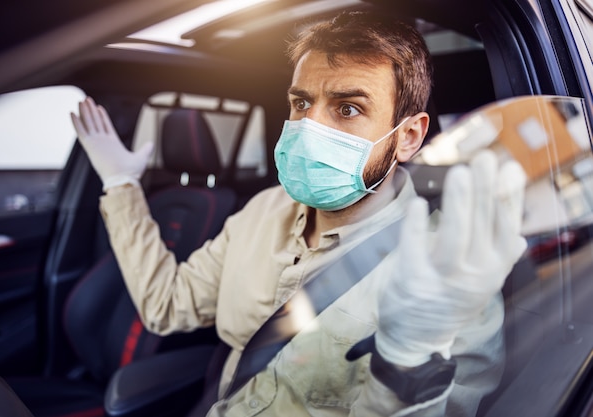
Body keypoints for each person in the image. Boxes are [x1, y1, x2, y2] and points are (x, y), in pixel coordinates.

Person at [71, 11, 527, 416]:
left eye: (348, 108)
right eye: (302, 103)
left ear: (408, 137)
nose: (310, 128)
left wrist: (407, 363)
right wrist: (121, 185)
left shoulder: (447, 273)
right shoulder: (264, 210)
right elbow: (169, 305)